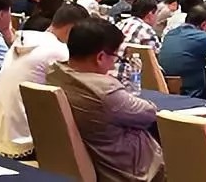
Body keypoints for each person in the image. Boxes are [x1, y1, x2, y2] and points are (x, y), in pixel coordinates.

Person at [46, 19, 164, 182]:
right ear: (100, 57)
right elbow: (150, 113)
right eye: (115, 57)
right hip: (133, 172)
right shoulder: (105, 91)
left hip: (95, 165)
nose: (113, 65)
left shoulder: (55, 74)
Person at [0, 4, 89, 159]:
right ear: (72, 28)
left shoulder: (24, 41)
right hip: (26, 142)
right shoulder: (58, 51)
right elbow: (82, 93)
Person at [158, 6, 206, 99]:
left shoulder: (170, 34)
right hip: (192, 93)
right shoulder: (204, 38)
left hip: (166, 89)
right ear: (204, 25)